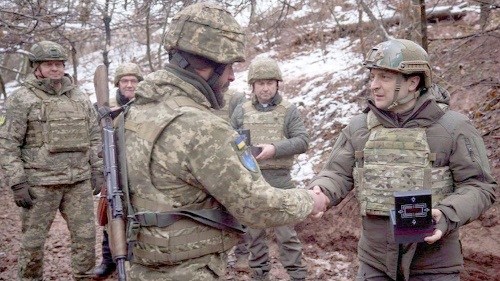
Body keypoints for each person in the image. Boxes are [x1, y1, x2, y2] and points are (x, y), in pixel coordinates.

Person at [122, 3, 329, 280]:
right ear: (207, 65)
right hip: (190, 270)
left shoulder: (135, 111)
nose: (232, 76)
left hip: (143, 265)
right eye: (229, 66)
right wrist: (310, 200)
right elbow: (255, 206)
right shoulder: (200, 127)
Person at [307, 38, 497, 281]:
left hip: (434, 265)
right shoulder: (359, 127)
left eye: (385, 77)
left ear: (413, 82)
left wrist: (448, 213)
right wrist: (322, 192)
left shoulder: (454, 128)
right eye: (373, 77)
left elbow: (480, 186)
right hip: (374, 264)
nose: (374, 85)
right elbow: (337, 173)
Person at [0, 40, 104, 281]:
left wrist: (97, 170)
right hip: (39, 184)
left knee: (86, 237)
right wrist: (17, 182)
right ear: (36, 67)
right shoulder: (20, 99)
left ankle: (84, 276)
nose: (55, 69)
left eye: (59, 64)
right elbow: (7, 143)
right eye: (49, 64)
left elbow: (94, 135)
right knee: (33, 242)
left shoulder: (79, 96)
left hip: (77, 181)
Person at [231, 57, 309, 281]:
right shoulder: (242, 111)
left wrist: (275, 149)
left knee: (286, 233)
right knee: (254, 233)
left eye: (270, 83)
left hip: (280, 180)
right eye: (260, 83)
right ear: (252, 86)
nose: (265, 88)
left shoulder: (288, 111)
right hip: (253, 179)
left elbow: (302, 140)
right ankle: (259, 274)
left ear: (277, 84)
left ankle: (297, 275)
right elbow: (231, 138)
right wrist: (241, 147)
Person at [93, 62, 144, 279]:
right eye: (125, 81)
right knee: (109, 214)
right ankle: (108, 260)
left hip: (137, 169)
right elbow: (94, 141)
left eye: (134, 81)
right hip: (112, 169)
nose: (130, 85)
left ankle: (137, 257)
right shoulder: (105, 106)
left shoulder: (146, 106)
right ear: (117, 83)